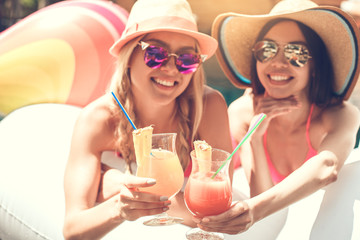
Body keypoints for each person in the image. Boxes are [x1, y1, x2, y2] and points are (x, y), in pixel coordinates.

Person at [62, 0, 233, 239]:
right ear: (129, 56)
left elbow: (217, 212)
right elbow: (72, 229)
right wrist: (119, 207)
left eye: (187, 59)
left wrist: (112, 182)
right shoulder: (98, 119)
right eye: (155, 53)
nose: (171, 69)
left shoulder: (208, 107)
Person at [192, 0, 360, 234]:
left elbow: (327, 168)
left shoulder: (341, 115)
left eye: (296, 53)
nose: (278, 63)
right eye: (267, 50)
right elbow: (263, 211)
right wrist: (255, 137)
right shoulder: (243, 113)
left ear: (315, 66)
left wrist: (251, 210)